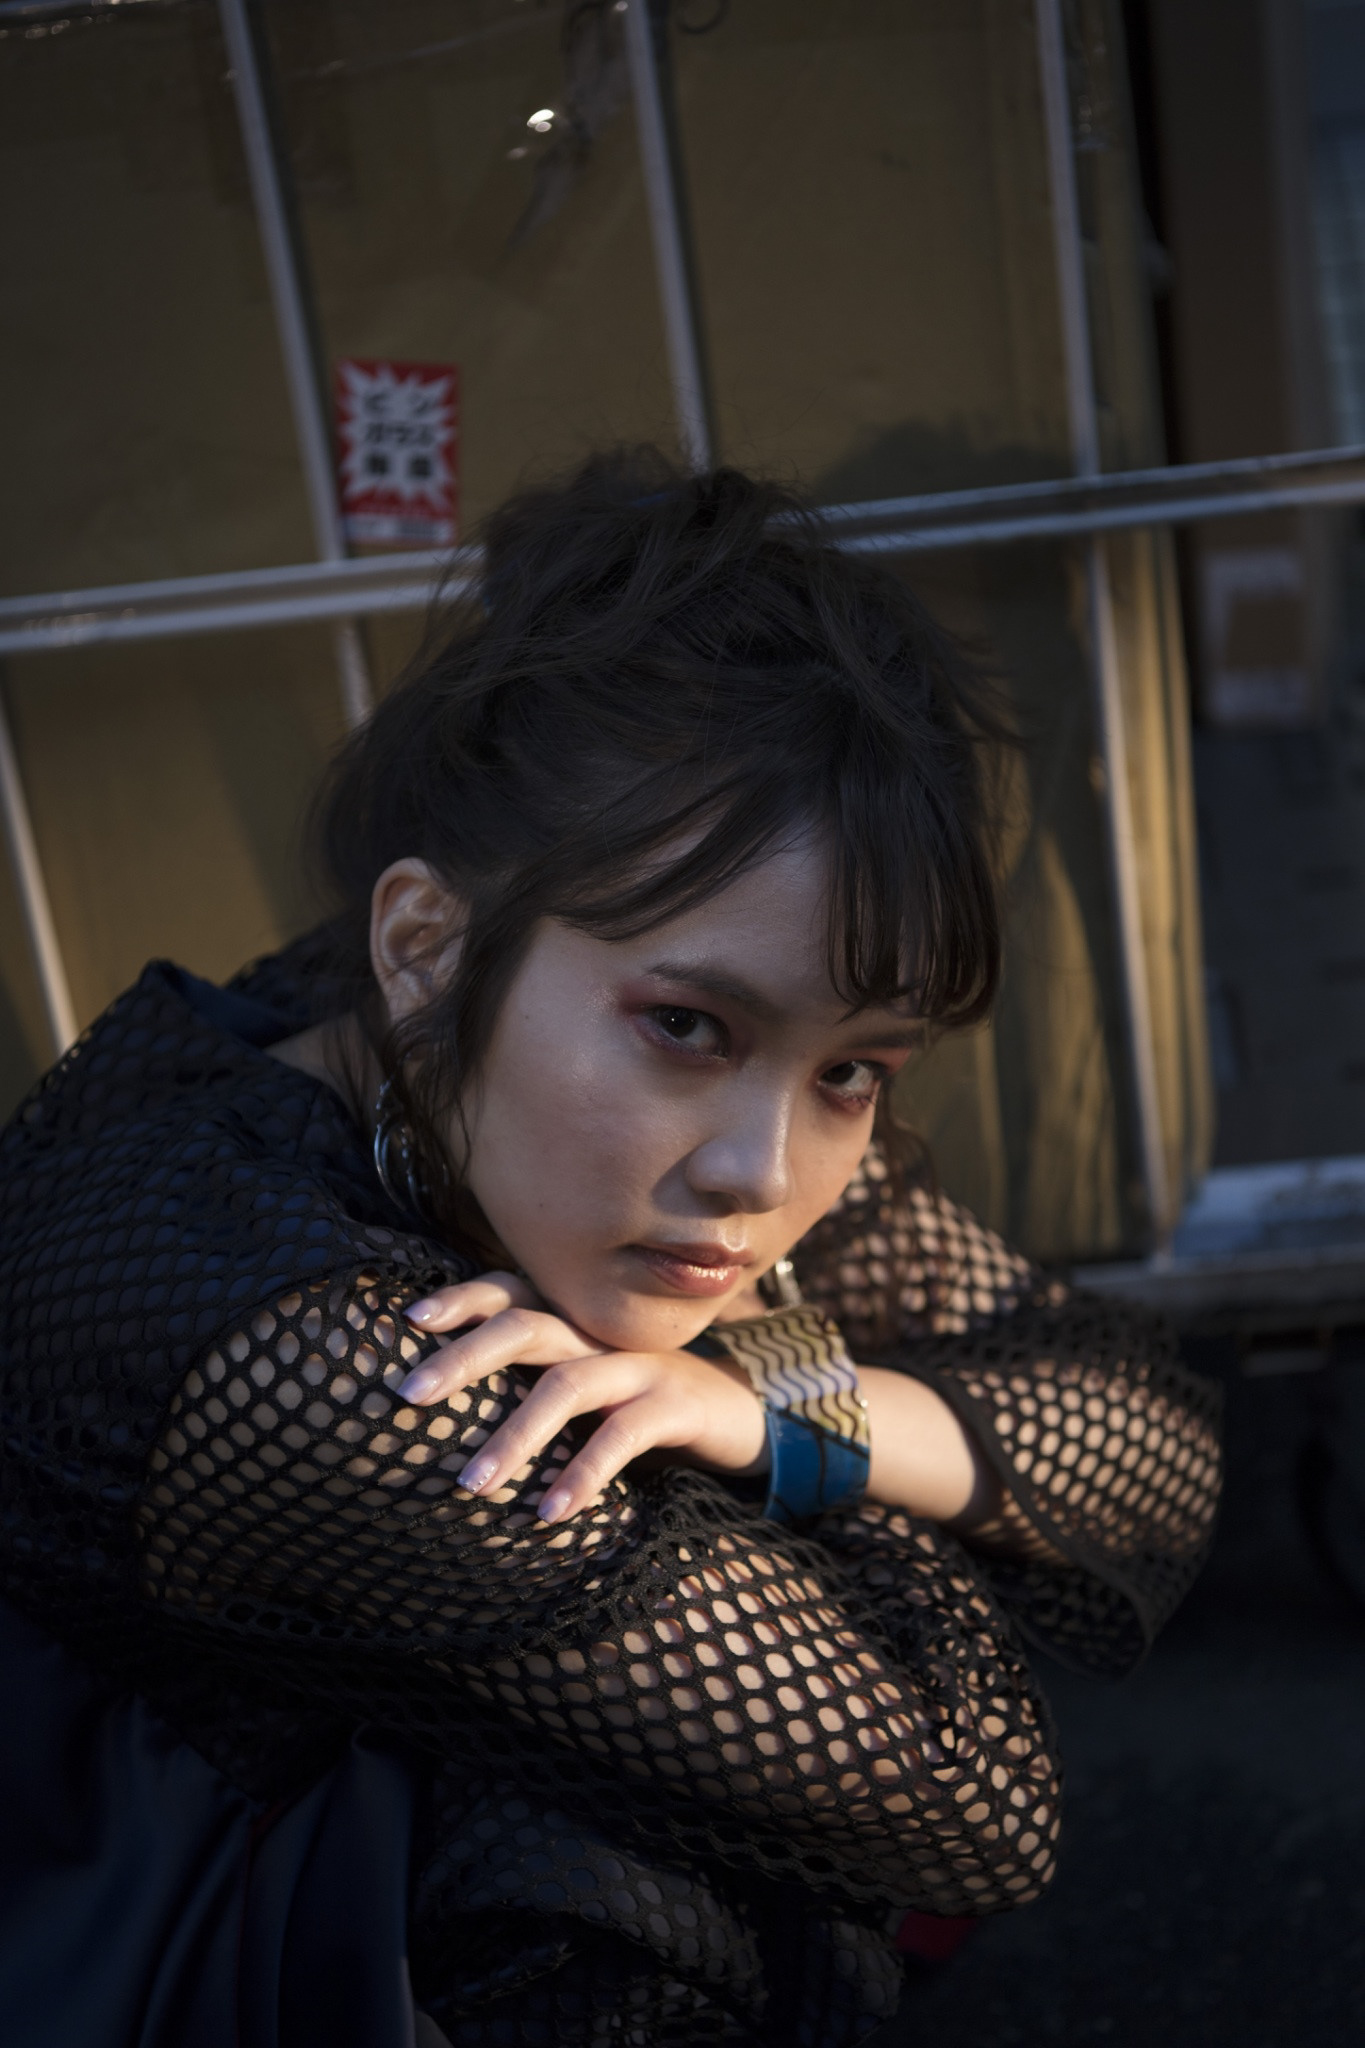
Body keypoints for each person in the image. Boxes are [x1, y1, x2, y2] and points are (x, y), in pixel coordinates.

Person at [0, 453, 1221, 2048]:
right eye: (688, 1027)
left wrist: (770, 1399)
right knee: (624, 1845)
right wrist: (834, 1434)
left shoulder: (495, 1045)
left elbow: (1149, 1438)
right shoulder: (305, 1340)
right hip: (172, 1954)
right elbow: (967, 1791)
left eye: (855, 1067)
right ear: (422, 946)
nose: (761, 1172)